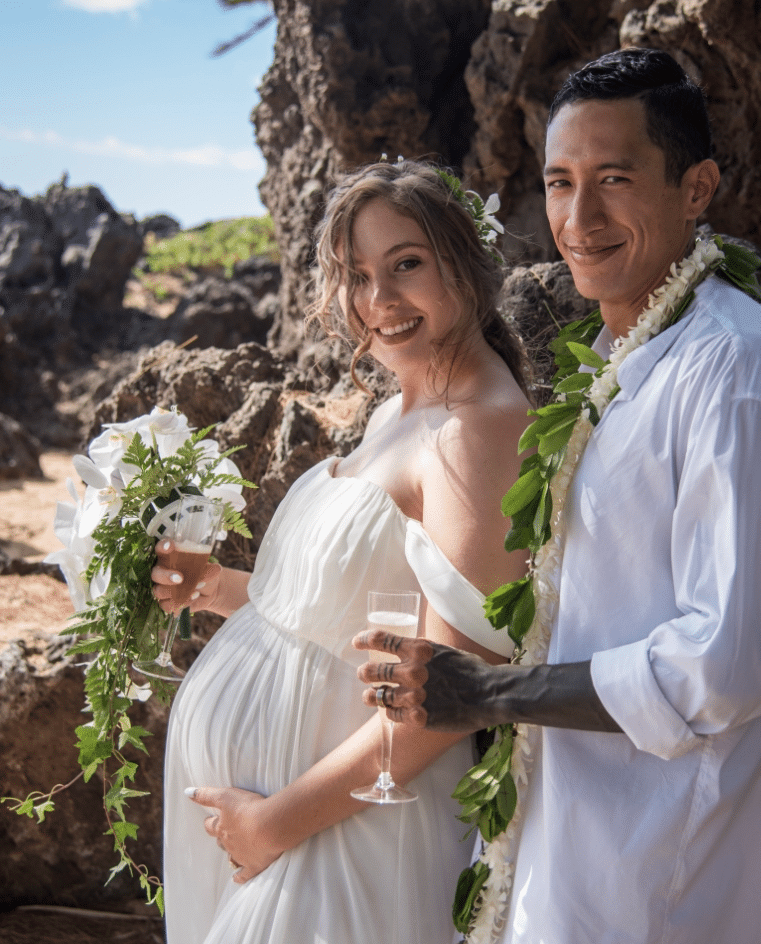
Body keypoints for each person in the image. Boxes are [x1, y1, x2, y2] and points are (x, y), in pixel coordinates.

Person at [355, 48, 761, 943]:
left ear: (697, 189)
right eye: (561, 181)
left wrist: (492, 695)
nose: (580, 217)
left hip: (688, 864)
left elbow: (729, 663)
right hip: (581, 842)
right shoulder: (619, 365)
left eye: (615, 179)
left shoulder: (738, 368)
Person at [150, 159, 533, 944]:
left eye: (407, 265)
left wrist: (274, 824)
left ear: (464, 262)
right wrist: (214, 585)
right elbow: (339, 612)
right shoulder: (404, 403)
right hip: (285, 818)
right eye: (358, 275)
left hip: (346, 834)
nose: (379, 300)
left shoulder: (480, 428)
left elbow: (454, 696)